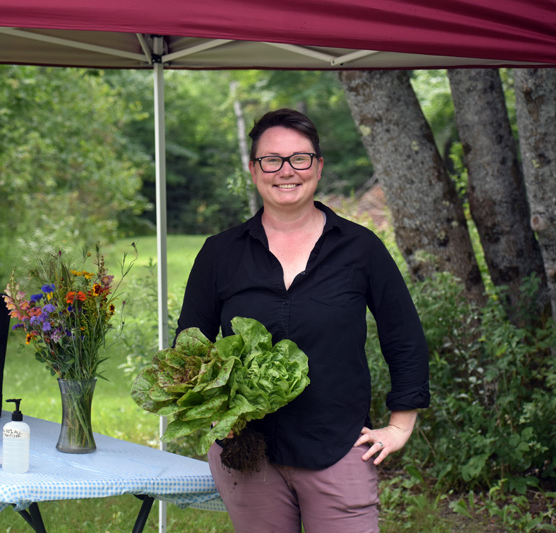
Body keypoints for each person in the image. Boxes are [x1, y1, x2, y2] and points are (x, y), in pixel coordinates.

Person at [176, 108, 430, 533]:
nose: (286, 171)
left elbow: (403, 336)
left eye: (300, 158)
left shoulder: (360, 249)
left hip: (338, 447)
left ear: (318, 166)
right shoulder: (220, 254)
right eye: (272, 159)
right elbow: (188, 347)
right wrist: (218, 413)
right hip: (247, 452)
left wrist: (400, 426)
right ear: (255, 170)